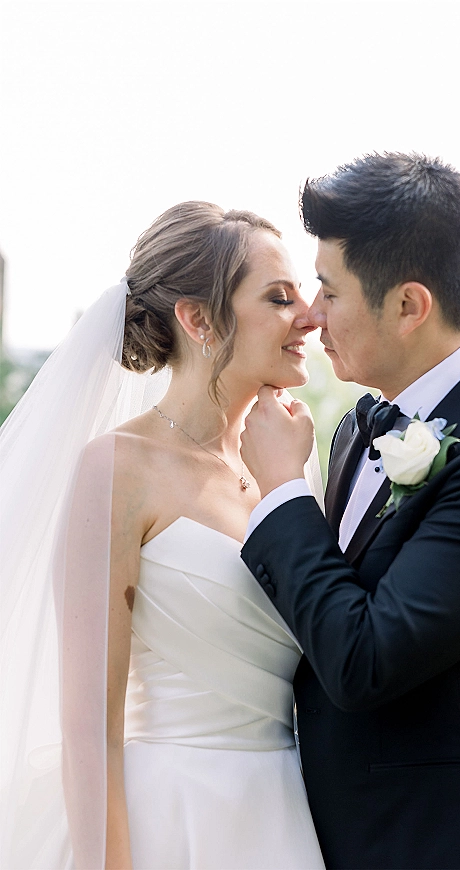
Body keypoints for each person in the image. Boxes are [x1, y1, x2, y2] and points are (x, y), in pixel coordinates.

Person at [240, 153, 460, 870]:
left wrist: (281, 491)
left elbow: (363, 660)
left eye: (330, 291)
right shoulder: (358, 426)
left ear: (408, 306)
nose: (311, 314)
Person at [0, 202, 325, 869]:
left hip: (290, 817)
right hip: (172, 819)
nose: (309, 316)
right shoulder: (118, 468)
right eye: (278, 298)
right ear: (199, 320)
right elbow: (91, 728)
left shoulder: (291, 464)